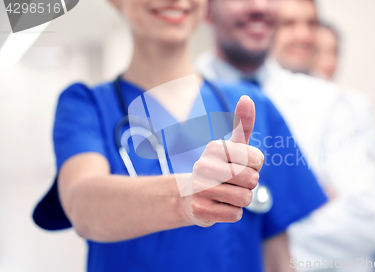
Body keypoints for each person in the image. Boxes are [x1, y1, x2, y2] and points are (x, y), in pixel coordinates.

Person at [32, 0, 328, 271]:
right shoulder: (87, 105)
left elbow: (278, 255)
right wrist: (185, 197)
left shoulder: (252, 107)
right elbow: (83, 206)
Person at [196, 0, 375, 271]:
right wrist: (302, 209)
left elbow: (369, 222)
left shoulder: (326, 100)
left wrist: (249, 240)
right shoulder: (174, 99)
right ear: (206, 9)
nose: (259, 6)